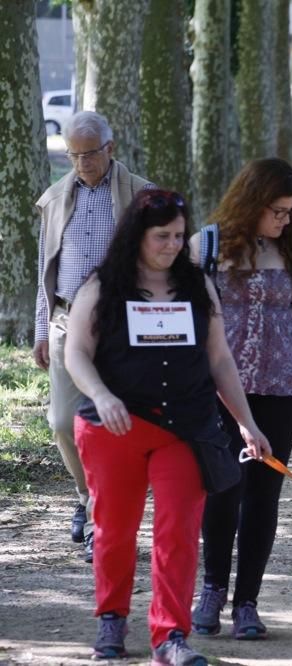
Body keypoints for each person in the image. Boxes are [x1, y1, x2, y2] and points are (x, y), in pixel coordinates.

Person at [63, 189, 269, 663]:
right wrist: (101, 394)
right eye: (162, 236)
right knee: (114, 530)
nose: (173, 245)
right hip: (114, 425)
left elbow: (219, 360)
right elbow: (75, 353)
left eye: (179, 235)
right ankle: (111, 618)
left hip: (185, 426)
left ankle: (169, 636)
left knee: (177, 533)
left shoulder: (198, 285)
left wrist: (247, 424)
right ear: (137, 236)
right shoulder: (103, 285)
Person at [187, 158, 292, 640]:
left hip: (282, 390)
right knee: (222, 488)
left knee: (263, 495)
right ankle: (211, 589)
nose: (285, 219)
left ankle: (246, 602)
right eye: (276, 210)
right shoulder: (205, 247)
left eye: (291, 211)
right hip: (217, 392)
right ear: (251, 203)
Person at [33, 110, 152, 563]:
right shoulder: (56, 198)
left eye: (90, 154)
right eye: (74, 155)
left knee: (121, 425)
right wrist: (43, 329)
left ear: (111, 148)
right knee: (63, 421)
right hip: (66, 322)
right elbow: (46, 269)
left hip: (123, 324)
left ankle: (104, 519)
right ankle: (86, 496)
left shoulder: (142, 196)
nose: (81, 163)